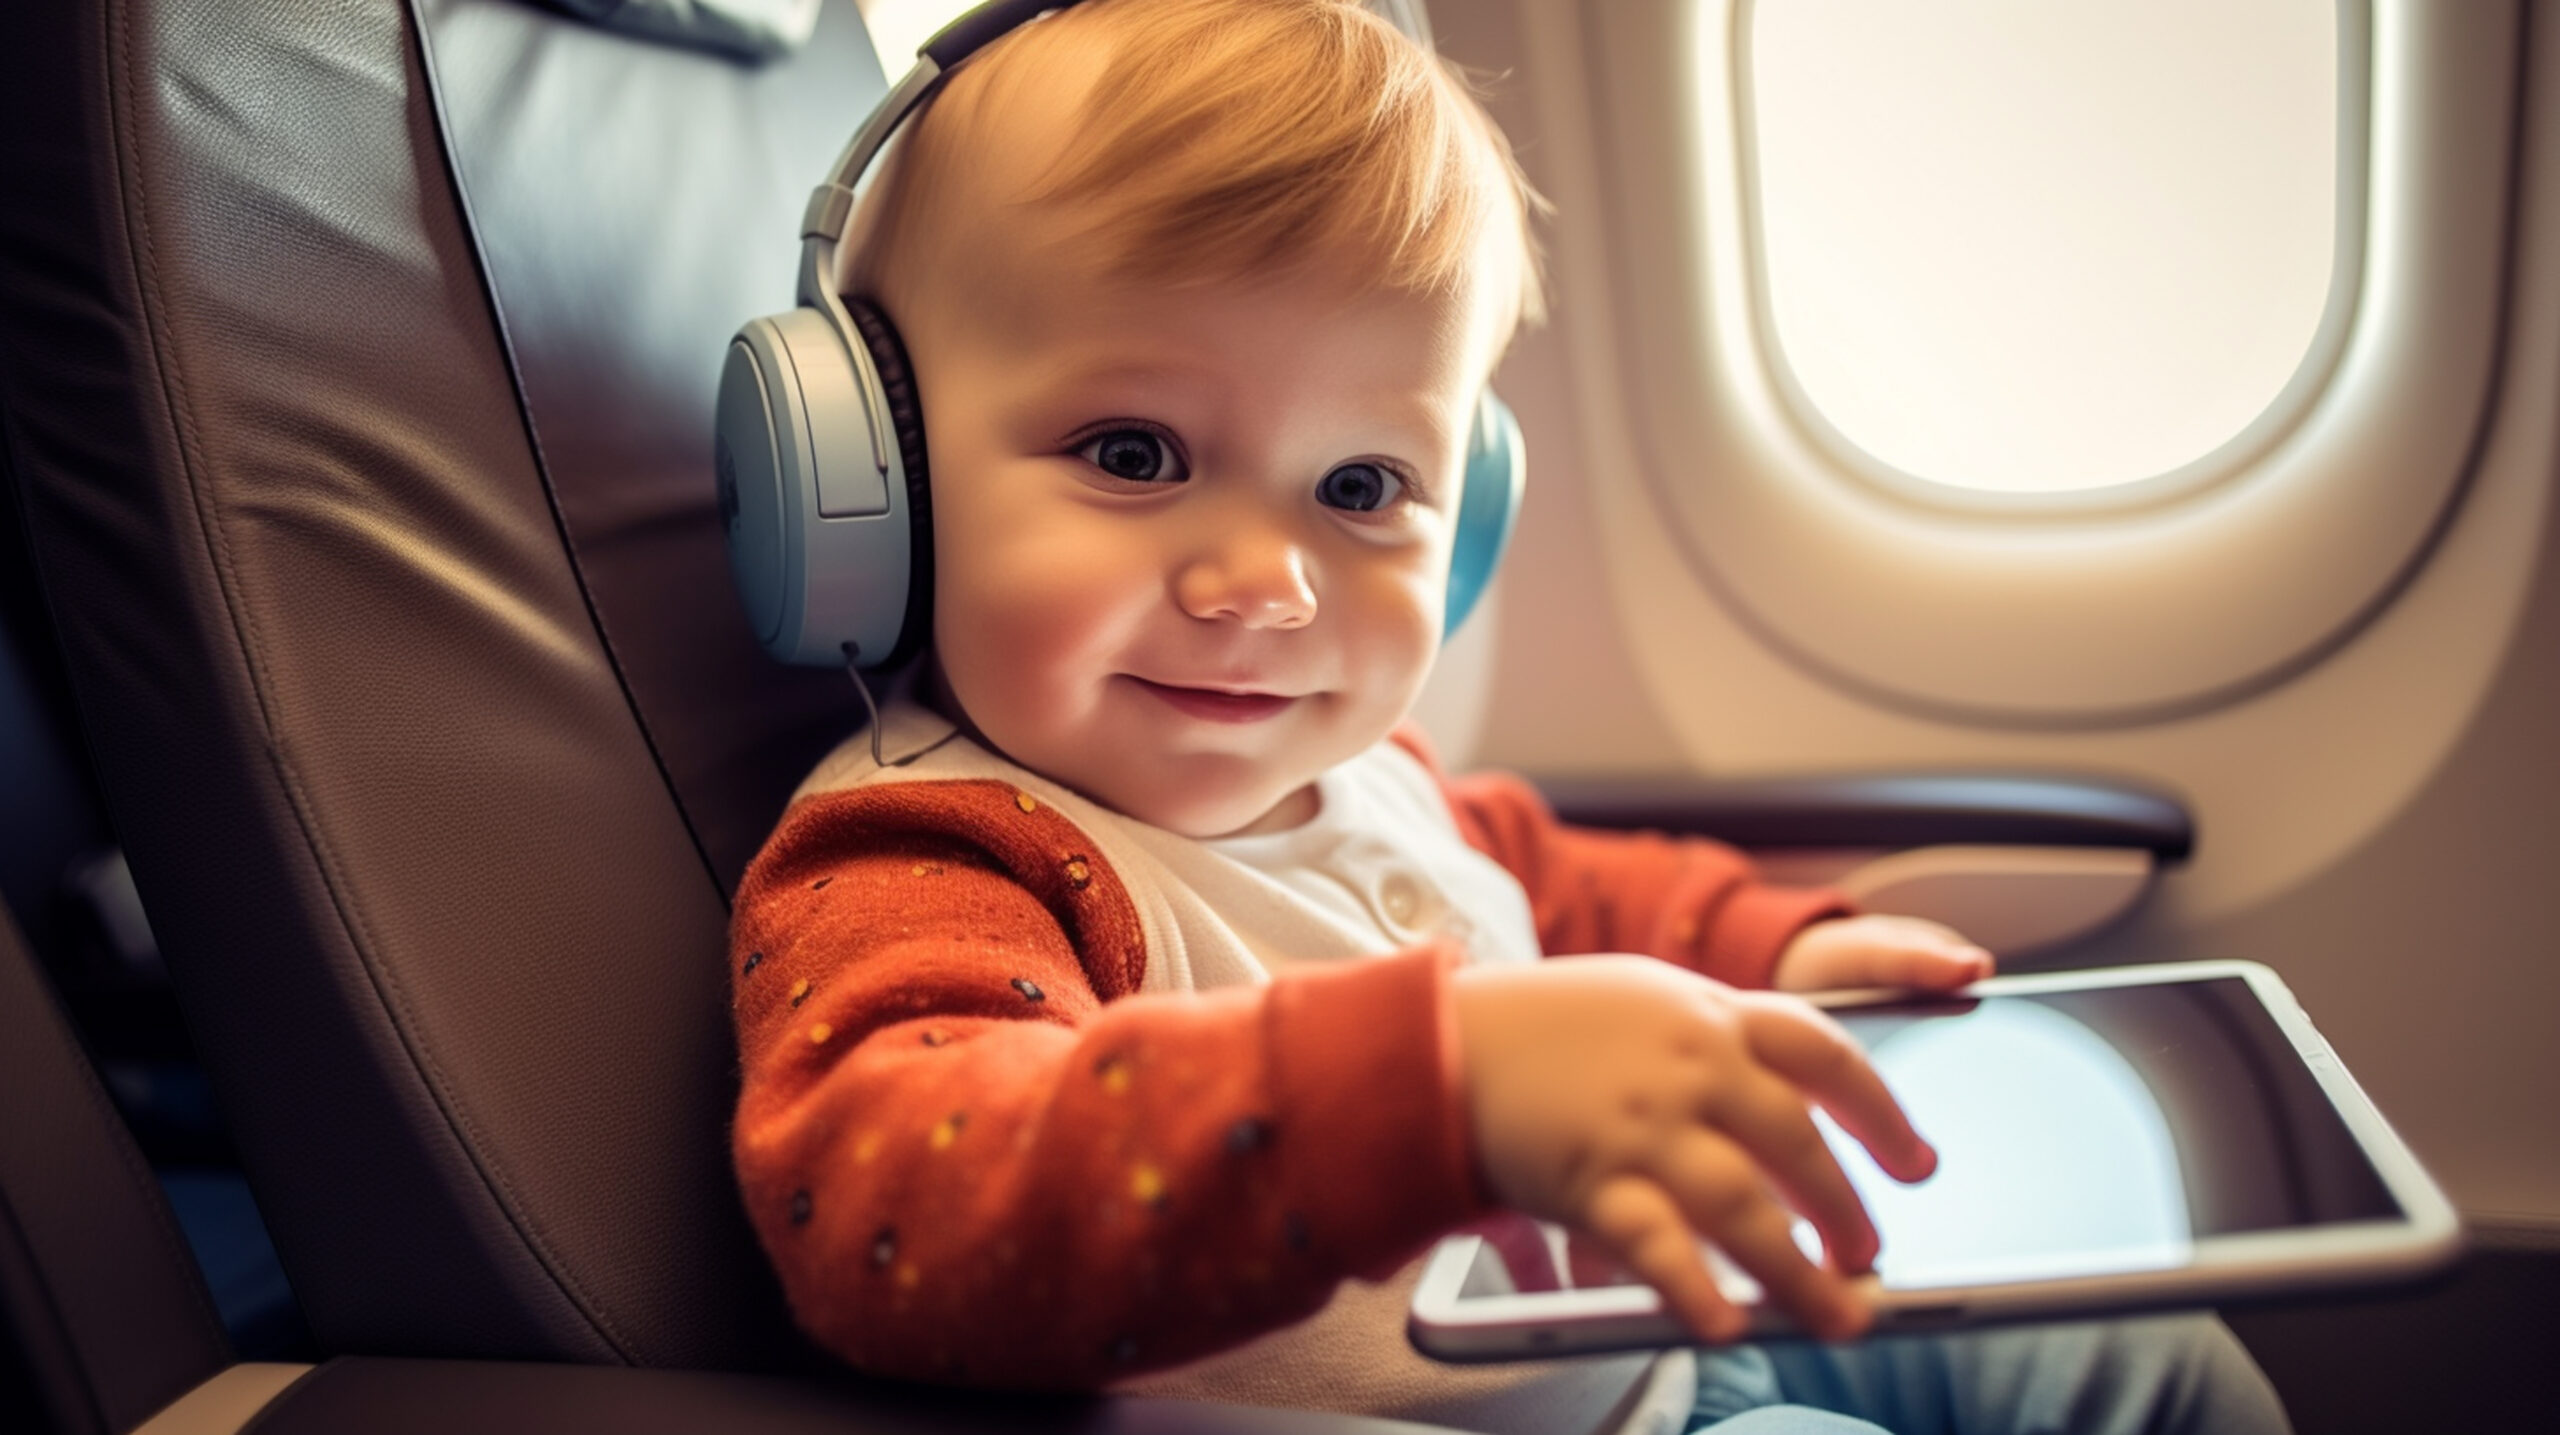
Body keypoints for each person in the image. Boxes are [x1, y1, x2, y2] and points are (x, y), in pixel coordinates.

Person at [726, 3, 2288, 1431]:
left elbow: (1565, 889)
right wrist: (1444, 1088)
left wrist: (1772, 955)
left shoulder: (1360, 772)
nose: (1266, 583)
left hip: (1649, 1323)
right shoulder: (939, 855)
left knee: (2155, 1354)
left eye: (1361, 487)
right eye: (1133, 453)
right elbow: (908, 1209)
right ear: (880, 482)